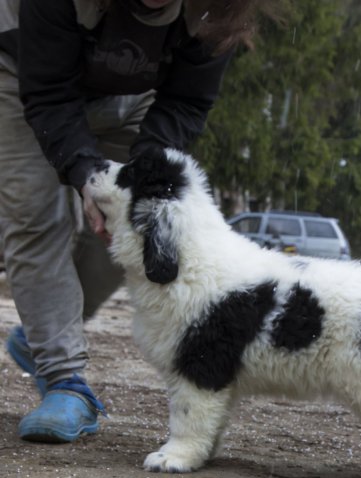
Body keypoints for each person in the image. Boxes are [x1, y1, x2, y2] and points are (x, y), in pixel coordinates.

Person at [0, 0, 277, 442]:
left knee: (137, 219)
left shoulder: (218, 10)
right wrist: (83, 173)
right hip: (25, 69)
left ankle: (42, 333)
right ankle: (65, 382)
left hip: (135, 91)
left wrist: (142, 180)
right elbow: (50, 92)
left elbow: (186, 101)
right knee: (35, 218)